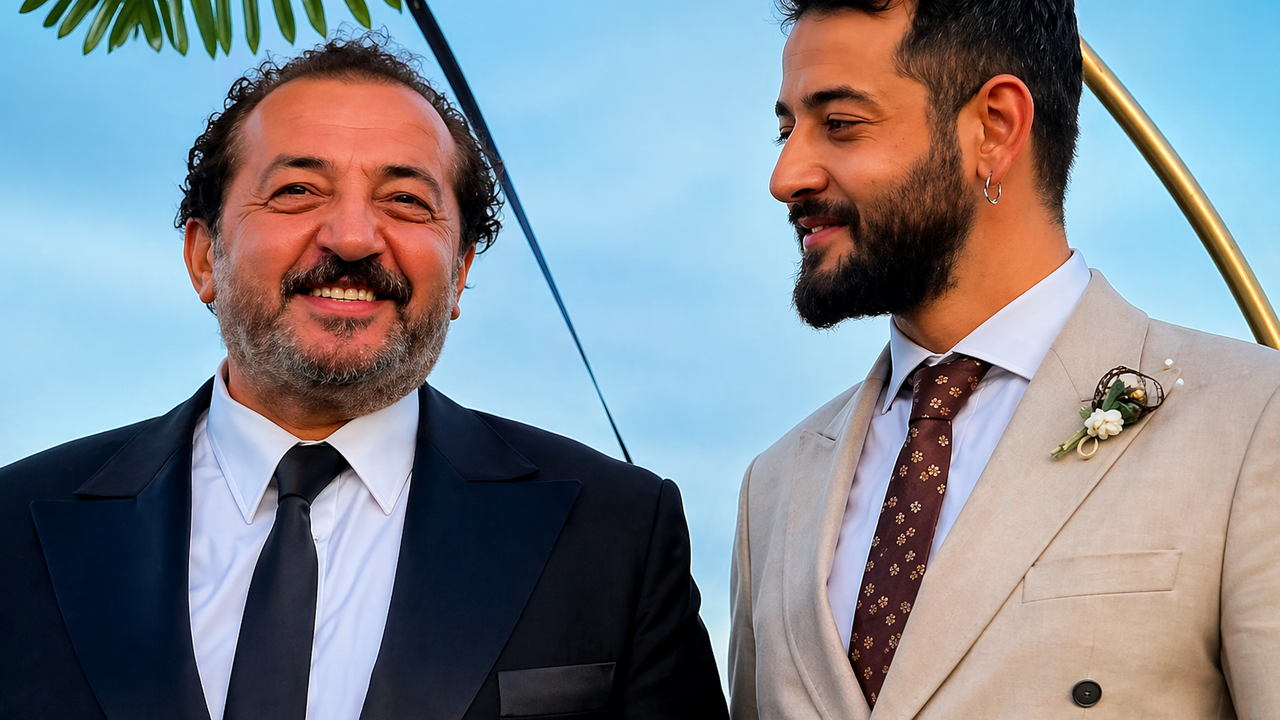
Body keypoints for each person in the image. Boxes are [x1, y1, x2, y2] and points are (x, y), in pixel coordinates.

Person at [0, 36, 727, 720]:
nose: (351, 237)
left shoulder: (617, 534)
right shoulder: (12, 529)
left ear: (461, 271)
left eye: (406, 201)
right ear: (203, 257)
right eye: (297, 191)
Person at [729, 1, 1280, 718]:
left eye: (839, 124)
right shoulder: (771, 489)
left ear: (994, 128)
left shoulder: (1253, 424)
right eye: (786, 130)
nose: (786, 176)